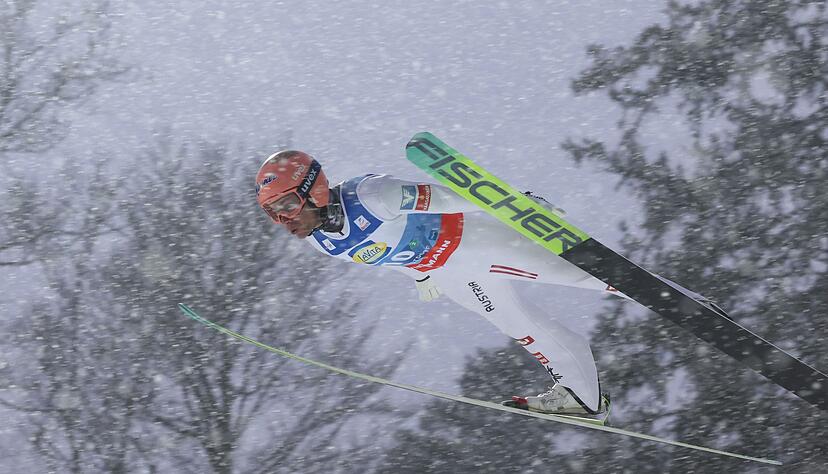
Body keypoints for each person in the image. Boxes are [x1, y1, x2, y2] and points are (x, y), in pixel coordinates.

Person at [255, 149, 623, 417]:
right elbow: (388, 255)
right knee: (523, 327)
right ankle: (583, 397)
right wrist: (422, 275)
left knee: (587, 274)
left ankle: (664, 292)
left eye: (286, 205)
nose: (283, 221)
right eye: (273, 213)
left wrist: (513, 202)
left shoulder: (370, 196)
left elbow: (445, 197)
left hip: (476, 239)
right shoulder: (324, 242)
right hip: (453, 274)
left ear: (312, 190)